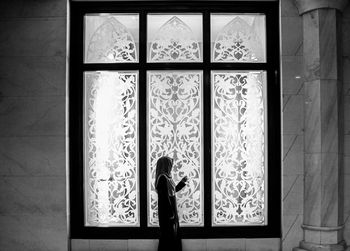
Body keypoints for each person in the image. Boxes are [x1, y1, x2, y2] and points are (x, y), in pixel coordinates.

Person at [155, 156, 188, 251]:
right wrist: (170, 214)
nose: (171, 167)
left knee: (173, 233)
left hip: (171, 209)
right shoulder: (162, 178)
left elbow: (173, 190)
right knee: (168, 234)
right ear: (165, 165)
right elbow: (164, 198)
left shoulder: (167, 177)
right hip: (167, 212)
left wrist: (182, 182)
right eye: (169, 165)